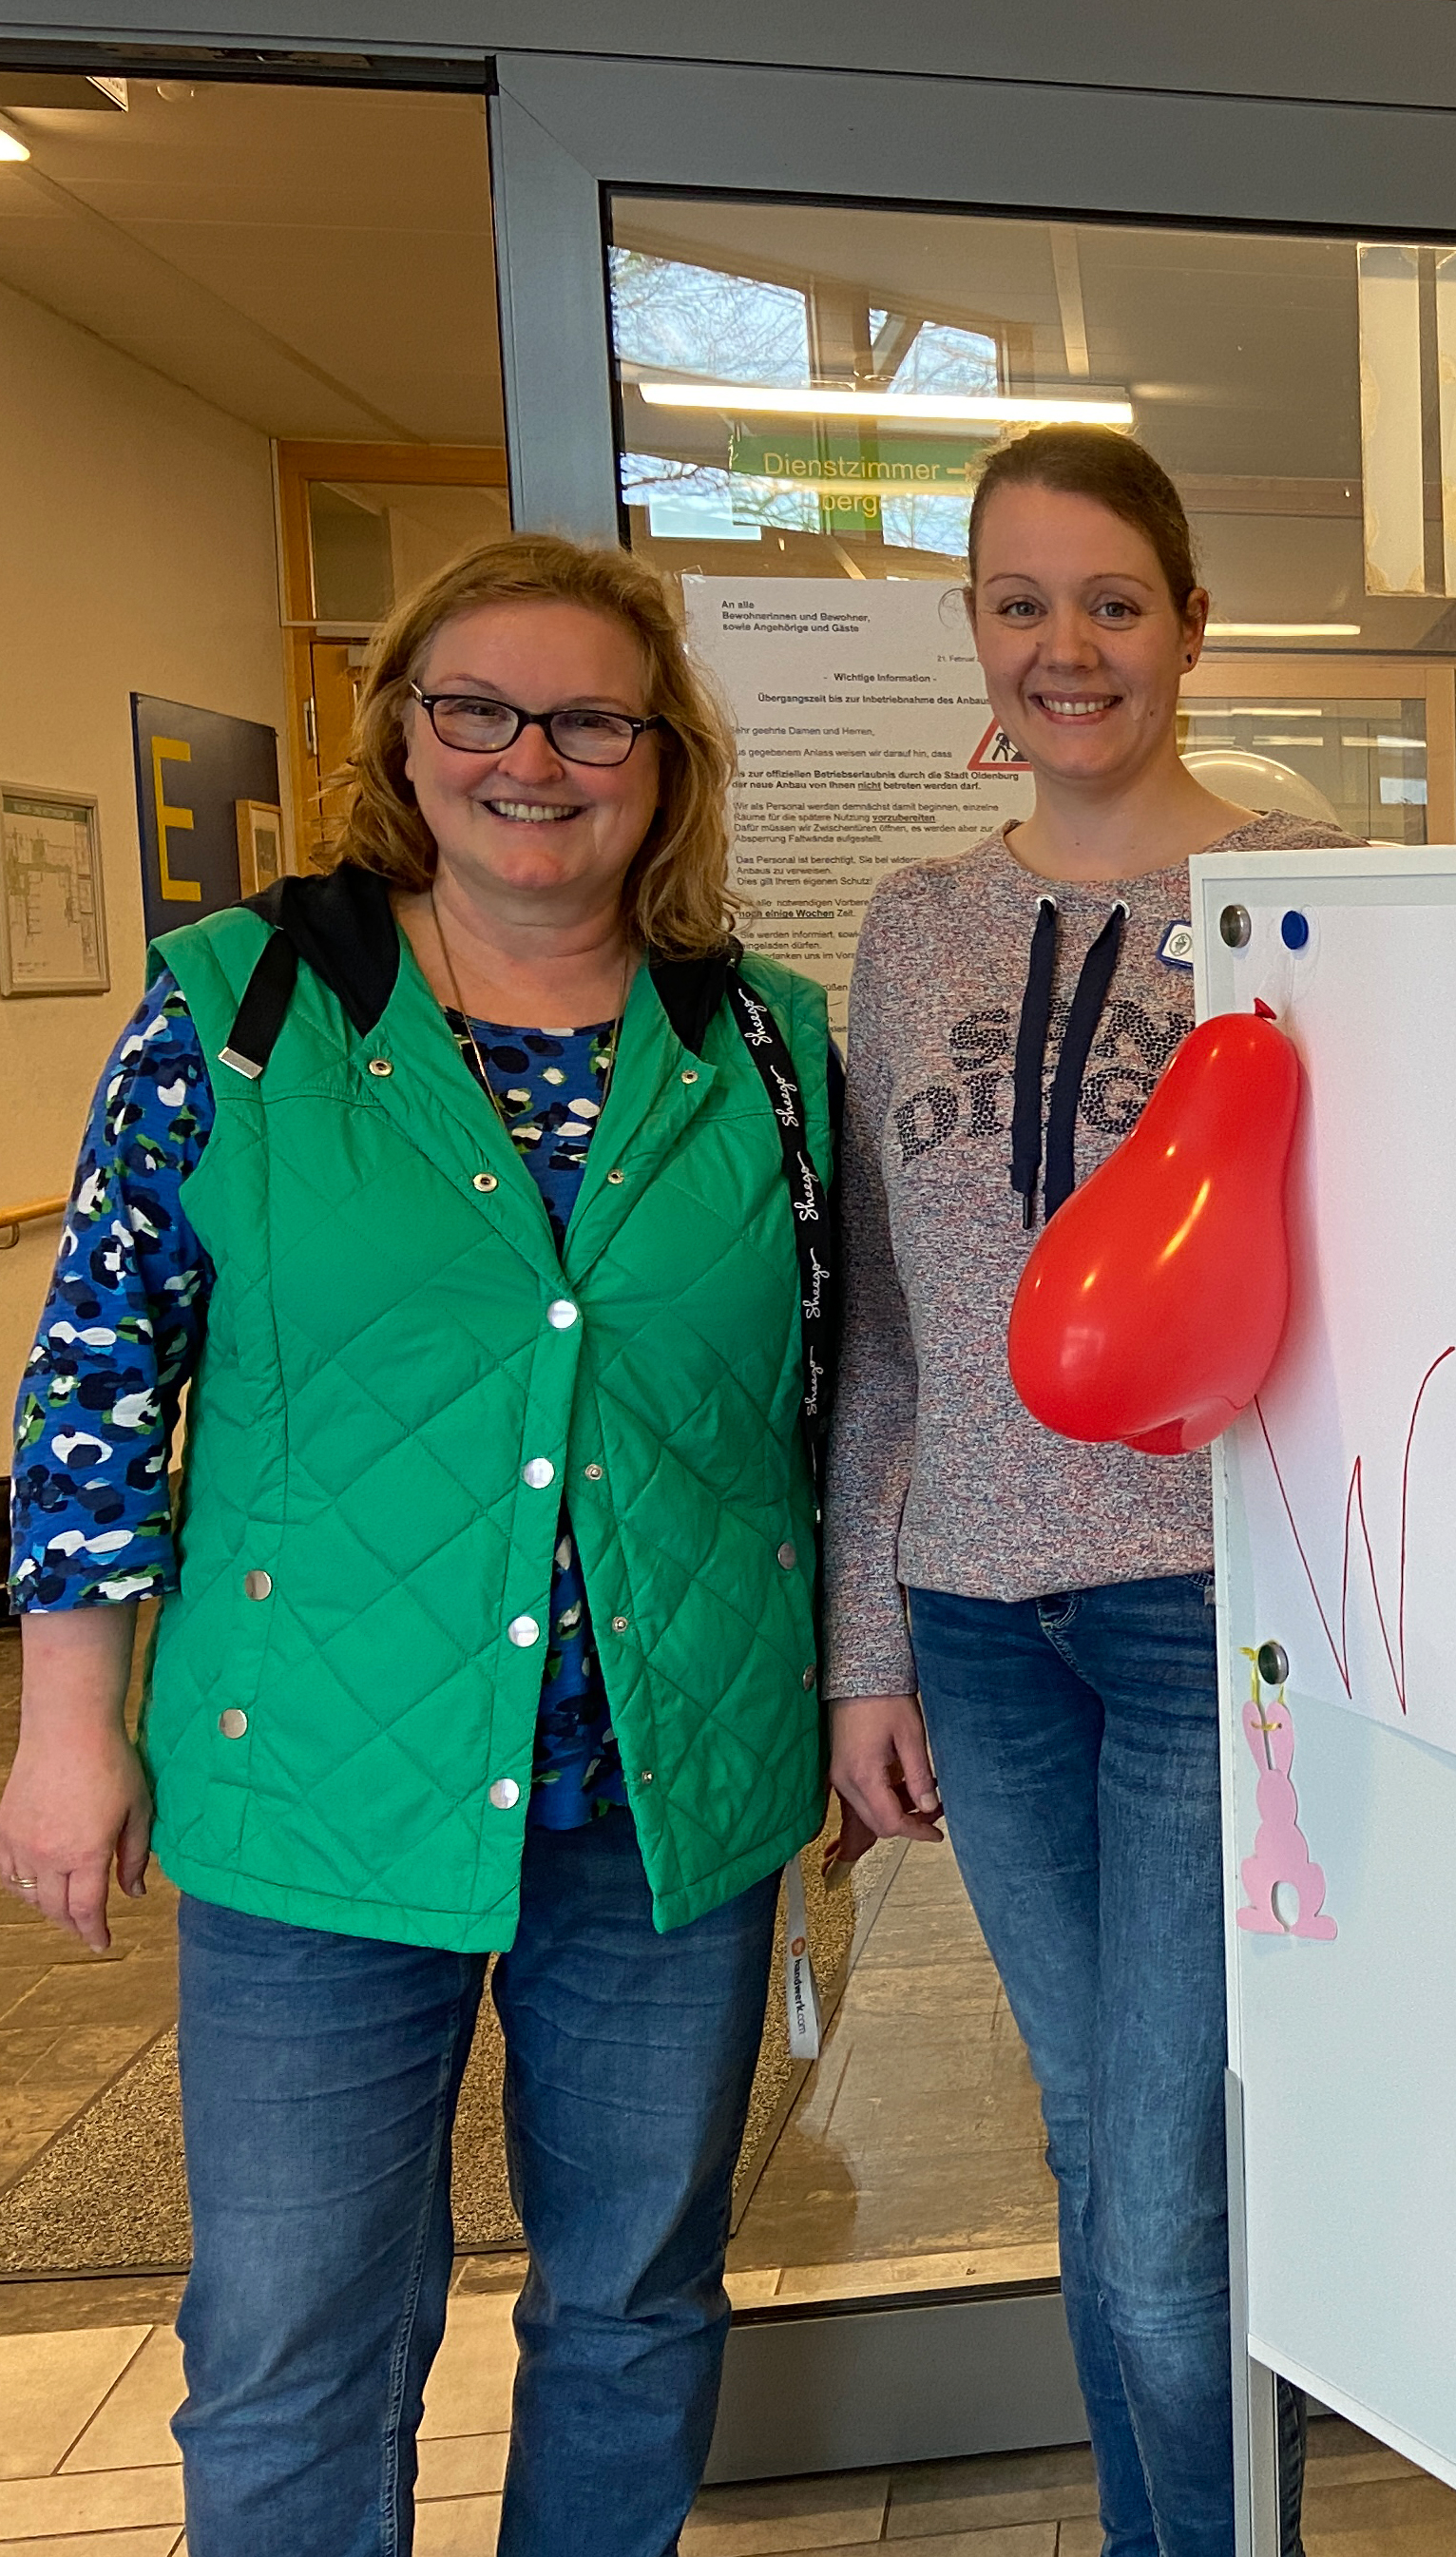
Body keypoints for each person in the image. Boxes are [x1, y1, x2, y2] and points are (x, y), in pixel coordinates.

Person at [0, 534, 834, 2557]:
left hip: (664, 1793)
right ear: (404, 734)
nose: (530, 756)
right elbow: (102, 1373)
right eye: (477, 708)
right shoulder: (247, 1005)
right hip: (321, 1771)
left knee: (635, 2302)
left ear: (665, 755)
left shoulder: (766, 1044)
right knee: (298, 2330)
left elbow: (816, 1404)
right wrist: (65, 1724)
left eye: (591, 717)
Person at [822, 425, 1351, 2557]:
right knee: (1093, 2149)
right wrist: (868, 1644)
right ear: (973, 631)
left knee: (1161, 2205)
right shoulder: (912, 926)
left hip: (1202, 1612)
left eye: (1113, 600)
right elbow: (881, 1326)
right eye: (1021, 602)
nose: (1070, 646)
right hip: (978, 1616)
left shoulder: (1298, 899)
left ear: (1192, 626)